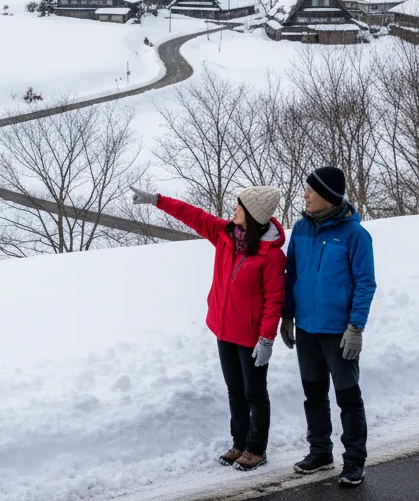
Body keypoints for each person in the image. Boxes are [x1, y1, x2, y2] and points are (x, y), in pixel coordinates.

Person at [132, 185, 285, 472]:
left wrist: (266, 339)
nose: (234, 209)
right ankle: (239, 443)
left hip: (251, 337)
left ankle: (256, 448)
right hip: (224, 330)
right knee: (234, 390)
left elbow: (274, 301)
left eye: (240, 206)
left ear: (252, 214)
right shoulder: (224, 234)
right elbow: (192, 215)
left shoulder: (271, 254)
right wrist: (157, 200)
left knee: (254, 392)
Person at [280, 166, 376, 489]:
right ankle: (320, 450)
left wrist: (356, 327)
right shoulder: (301, 231)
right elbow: (290, 275)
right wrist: (287, 316)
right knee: (314, 394)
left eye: (310, 190)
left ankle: (354, 460)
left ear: (327, 196)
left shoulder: (356, 236)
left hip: (339, 333)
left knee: (348, 397)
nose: (305, 195)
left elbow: (365, 283)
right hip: (307, 329)